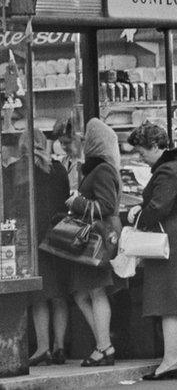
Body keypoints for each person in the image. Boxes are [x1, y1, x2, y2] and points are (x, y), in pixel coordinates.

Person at [126, 123, 177, 380]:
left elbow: (160, 206)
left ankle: (170, 362)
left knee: (169, 303)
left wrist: (140, 218)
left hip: (169, 238)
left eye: (141, 151)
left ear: (154, 146)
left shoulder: (167, 171)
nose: (140, 157)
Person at [9, 129, 71, 367]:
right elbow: (66, 200)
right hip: (58, 237)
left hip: (31, 237)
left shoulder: (17, 170)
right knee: (58, 295)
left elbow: (12, 205)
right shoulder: (59, 169)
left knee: (38, 296)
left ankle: (43, 347)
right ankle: (60, 347)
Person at [69, 118, 123, 367]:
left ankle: (104, 347)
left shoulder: (102, 170)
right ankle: (104, 342)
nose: (82, 140)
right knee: (84, 292)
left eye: (86, 137)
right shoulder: (103, 167)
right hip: (99, 235)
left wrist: (77, 202)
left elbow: (107, 205)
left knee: (95, 291)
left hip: (98, 237)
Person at [51, 117, 81, 190]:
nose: (63, 147)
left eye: (67, 142)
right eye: (61, 142)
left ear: (78, 138)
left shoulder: (85, 162)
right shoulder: (63, 162)